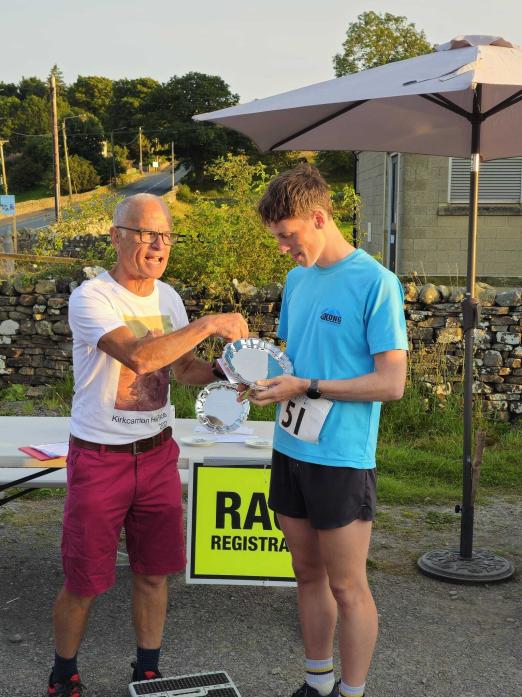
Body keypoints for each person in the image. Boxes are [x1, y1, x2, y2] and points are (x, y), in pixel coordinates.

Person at [48, 193, 248, 697]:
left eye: (165, 236)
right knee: (85, 579)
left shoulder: (169, 298)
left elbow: (180, 370)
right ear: (116, 235)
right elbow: (139, 357)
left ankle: (148, 668)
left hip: (158, 453)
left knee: (155, 572)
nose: (158, 245)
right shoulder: (92, 297)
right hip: (100, 457)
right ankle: (63, 672)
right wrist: (207, 324)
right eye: (145, 233)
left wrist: (233, 373)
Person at [247, 165, 408, 697]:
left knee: (347, 584)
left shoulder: (377, 283)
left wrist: (307, 386)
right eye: (275, 239)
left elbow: (391, 383)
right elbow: (290, 360)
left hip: (341, 458)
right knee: (307, 575)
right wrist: (259, 381)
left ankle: (352, 691)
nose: (282, 249)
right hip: (290, 447)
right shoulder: (297, 279)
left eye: (287, 236)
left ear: (319, 217)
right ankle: (317, 684)